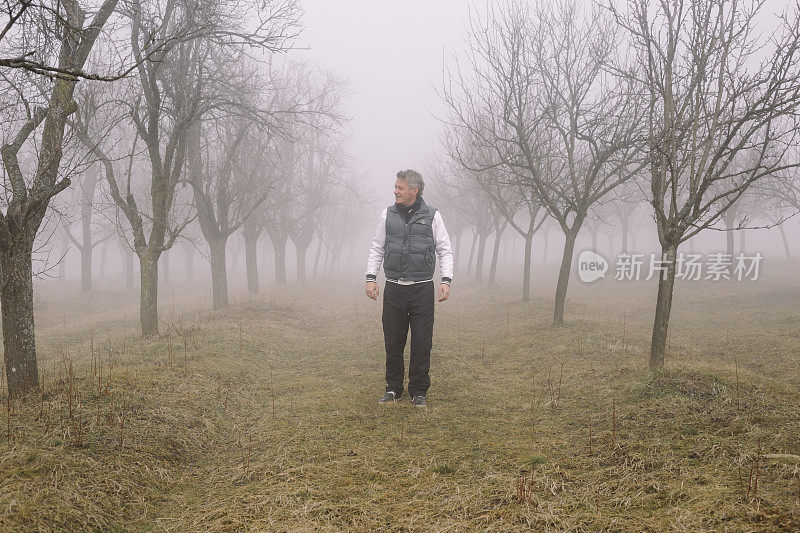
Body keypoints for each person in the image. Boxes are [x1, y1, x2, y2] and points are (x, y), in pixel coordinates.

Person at [365, 169, 454, 407]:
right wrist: (371, 277)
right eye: (395, 187)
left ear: (414, 190)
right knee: (393, 341)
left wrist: (446, 281)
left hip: (422, 289)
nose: (395, 191)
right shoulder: (387, 215)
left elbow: (444, 249)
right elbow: (377, 246)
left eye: (400, 188)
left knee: (422, 342)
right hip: (394, 289)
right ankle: (393, 388)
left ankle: (418, 391)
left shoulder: (433, 216)